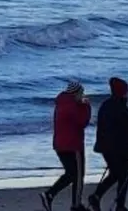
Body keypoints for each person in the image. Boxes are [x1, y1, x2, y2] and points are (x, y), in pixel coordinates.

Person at [92, 77, 128, 211]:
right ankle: (117, 205)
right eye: (126, 90)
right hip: (118, 148)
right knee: (122, 175)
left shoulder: (108, 104)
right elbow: (124, 131)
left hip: (107, 147)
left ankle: (99, 197)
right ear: (122, 92)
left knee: (117, 174)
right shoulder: (119, 108)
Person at [45, 81, 92, 211]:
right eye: (81, 93)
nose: (82, 95)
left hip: (60, 144)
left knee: (71, 173)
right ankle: (75, 204)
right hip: (73, 144)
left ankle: (51, 194)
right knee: (77, 175)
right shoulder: (72, 106)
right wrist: (87, 106)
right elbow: (82, 121)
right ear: (76, 93)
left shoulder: (62, 103)